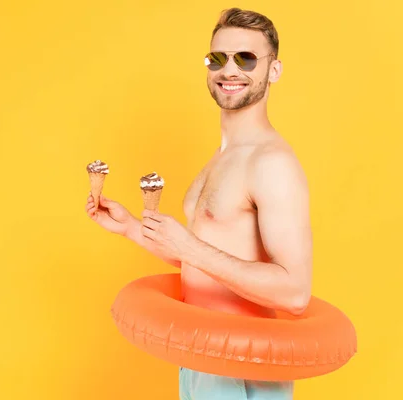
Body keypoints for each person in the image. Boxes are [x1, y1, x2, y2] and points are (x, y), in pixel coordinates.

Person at [85, 7, 312, 400]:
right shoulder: (223, 156)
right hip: (201, 354)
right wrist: (130, 228)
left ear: (273, 71)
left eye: (246, 58)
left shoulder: (271, 163)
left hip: (242, 366)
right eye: (217, 58)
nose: (229, 70)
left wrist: (189, 246)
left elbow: (294, 293)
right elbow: (212, 260)